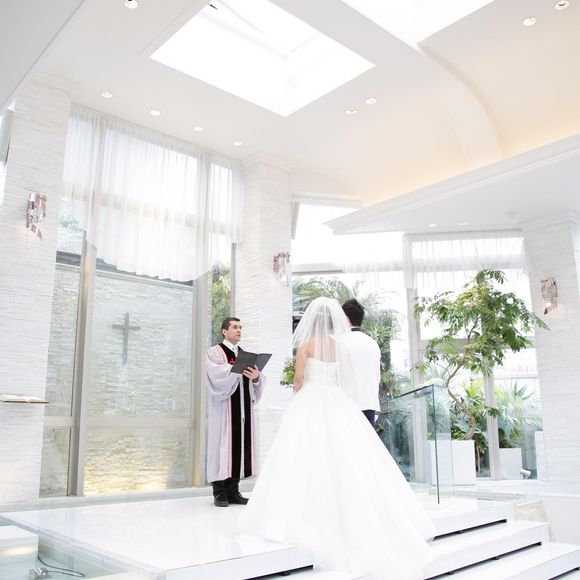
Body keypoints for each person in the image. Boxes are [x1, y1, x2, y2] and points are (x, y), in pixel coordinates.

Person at [239, 297, 435, 579]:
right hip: (337, 402)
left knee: (303, 456)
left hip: (310, 401)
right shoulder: (340, 347)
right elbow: (345, 378)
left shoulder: (306, 346)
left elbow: (298, 380)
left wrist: (298, 390)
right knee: (344, 458)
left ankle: (307, 512)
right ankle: (349, 512)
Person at [206, 317, 265, 507]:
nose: (239, 330)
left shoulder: (245, 354)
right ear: (224, 331)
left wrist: (257, 377)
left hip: (242, 410)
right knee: (221, 447)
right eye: (234, 327)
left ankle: (233, 491)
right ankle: (219, 492)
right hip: (224, 409)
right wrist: (236, 368)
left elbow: (256, 379)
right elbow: (216, 375)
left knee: (238, 448)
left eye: (240, 327)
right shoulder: (214, 352)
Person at [341, 298, 381, 427]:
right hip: (370, 403)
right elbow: (377, 376)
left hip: (347, 404)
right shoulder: (373, 343)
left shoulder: (340, 341)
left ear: (345, 317)